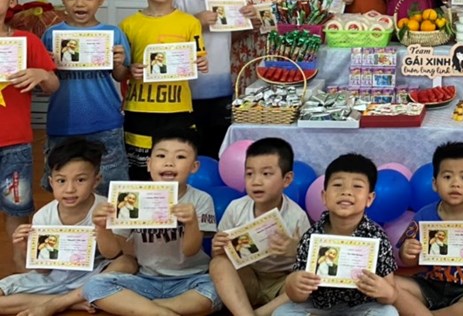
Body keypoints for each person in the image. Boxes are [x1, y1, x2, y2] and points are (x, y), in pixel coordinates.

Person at [84, 130, 221, 316]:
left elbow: (190, 250)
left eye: (180, 157)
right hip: (146, 280)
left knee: (216, 290)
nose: (169, 162)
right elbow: (112, 252)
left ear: (194, 167)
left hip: (191, 280)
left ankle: (145, 309)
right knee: (94, 285)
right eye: (161, 155)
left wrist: (192, 223)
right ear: (149, 164)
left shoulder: (200, 199)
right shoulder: (131, 197)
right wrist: (102, 227)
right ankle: (162, 312)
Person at [0, 139, 137, 316]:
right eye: (61, 181)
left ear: (96, 180)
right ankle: (74, 302)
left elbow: (114, 254)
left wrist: (102, 228)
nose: (70, 189)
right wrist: (25, 247)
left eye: (80, 180)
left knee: (127, 263)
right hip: (53, 279)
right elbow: (43, 270)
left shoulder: (108, 209)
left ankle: (61, 302)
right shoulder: (43, 216)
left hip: (92, 277)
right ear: (51, 182)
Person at [42, 0, 130, 195]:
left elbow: (121, 76)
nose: (80, 3)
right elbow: (46, 84)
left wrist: (119, 63)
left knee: (109, 188)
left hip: (105, 122)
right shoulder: (51, 35)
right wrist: (47, 66)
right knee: (66, 189)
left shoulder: (113, 33)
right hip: (63, 122)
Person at [120, 0, 208, 180]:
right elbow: (119, 72)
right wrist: (130, 70)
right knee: (140, 172)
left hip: (177, 108)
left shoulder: (189, 23)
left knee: (176, 169)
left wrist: (200, 62)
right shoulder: (128, 25)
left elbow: (197, 59)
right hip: (140, 108)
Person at [280, 153, 398, 316]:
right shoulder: (312, 236)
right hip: (319, 307)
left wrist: (384, 291)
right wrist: (293, 284)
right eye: (337, 185)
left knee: (388, 313)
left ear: (369, 199)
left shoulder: (377, 237)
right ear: (324, 196)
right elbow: (298, 297)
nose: (346, 192)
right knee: (283, 312)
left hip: (361, 308)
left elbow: (392, 295)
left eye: (357, 186)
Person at [393, 141, 463, 316]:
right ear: (435, 183)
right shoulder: (424, 215)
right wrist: (407, 252)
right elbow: (409, 261)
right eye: (447, 177)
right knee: (389, 283)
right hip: (429, 286)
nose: (455, 183)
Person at [210, 138, 310, 316]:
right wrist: (217, 248)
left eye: (266, 174)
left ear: (286, 179)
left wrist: (294, 249)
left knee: (306, 284)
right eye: (249, 174)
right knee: (218, 264)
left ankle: (258, 313)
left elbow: (309, 264)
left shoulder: (297, 216)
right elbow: (219, 255)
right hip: (248, 279)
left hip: (281, 282)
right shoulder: (236, 208)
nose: (256, 181)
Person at [175, 0, 252, 159]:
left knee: (219, 141)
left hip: (222, 84)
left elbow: (229, 38)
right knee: (192, 143)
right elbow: (170, 36)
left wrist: (248, 24)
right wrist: (195, 21)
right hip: (191, 88)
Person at [0, 0, 60, 251]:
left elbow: (53, 85)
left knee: (18, 214)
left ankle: (23, 273)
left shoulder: (27, 42)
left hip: (15, 145)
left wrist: (41, 75)